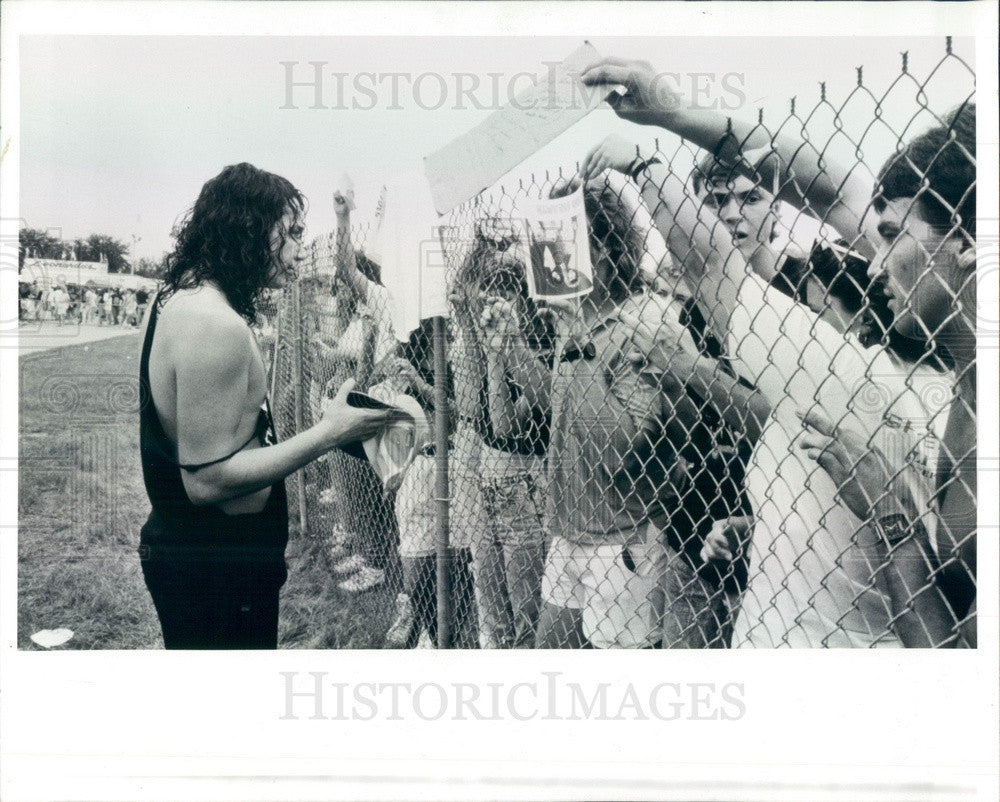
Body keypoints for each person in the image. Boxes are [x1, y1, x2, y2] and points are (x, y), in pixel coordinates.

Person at [580, 59, 969, 647]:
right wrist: (673, 112)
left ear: (967, 242)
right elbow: (837, 192)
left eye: (891, 236)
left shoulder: (851, 378)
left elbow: (957, 672)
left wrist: (644, 157)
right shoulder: (937, 382)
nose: (876, 261)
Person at [137, 162, 393, 649]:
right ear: (249, 230)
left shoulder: (176, 297)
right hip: (217, 566)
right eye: (291, 232)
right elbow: (207, 480)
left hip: (195, 555)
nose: (299, 246)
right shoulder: (215, 324)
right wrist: (330, 433)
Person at [451, 242, 553, 648]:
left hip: (526, 474)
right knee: (489, 589)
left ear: (524, 297)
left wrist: (502, 352)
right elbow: (473, 406)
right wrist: (470, 323)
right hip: (489, 471)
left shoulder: (539, 342)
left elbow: (506, 423)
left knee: (525, 599)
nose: (497, 299)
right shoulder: (487, 334)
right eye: (492, 289)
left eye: (508, 290)